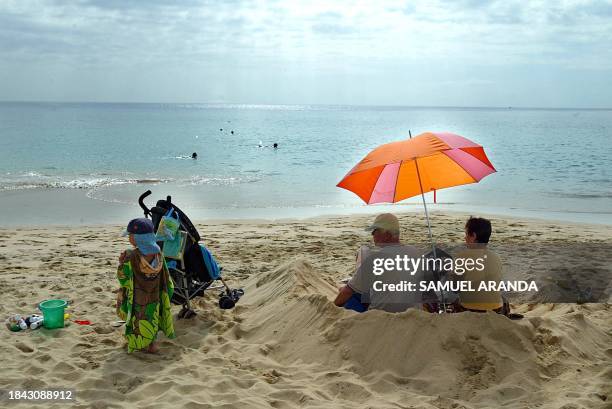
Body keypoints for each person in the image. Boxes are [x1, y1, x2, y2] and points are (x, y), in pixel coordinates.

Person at [334, 213, 423, 313]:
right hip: (413, 314)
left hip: (381, 317)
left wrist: (331, 308)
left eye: (375, 231)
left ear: (387, 235)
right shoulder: (416, 252)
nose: (372, 234)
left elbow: (347, 292)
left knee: (352, 295)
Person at [116, 218, 175, 353]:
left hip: (138, 297)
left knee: (137, 320)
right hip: (154, 295)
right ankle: (152, 345)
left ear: (138, 238)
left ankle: (138, 343)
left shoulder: (131, 255)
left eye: (130, 235)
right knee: (151, 318)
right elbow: (165, 275)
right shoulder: (158, 253)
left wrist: (121, 264)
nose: (129, 238)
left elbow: (123, 279)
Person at [453, 217, 504, 313]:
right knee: (503, 299)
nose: (465, 238)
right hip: (496, 309)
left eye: (466, 234)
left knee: (453, 299)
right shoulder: (497, 258)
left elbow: (454, 288)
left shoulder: (462, 257)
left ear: (473, 236)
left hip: (469, 309)